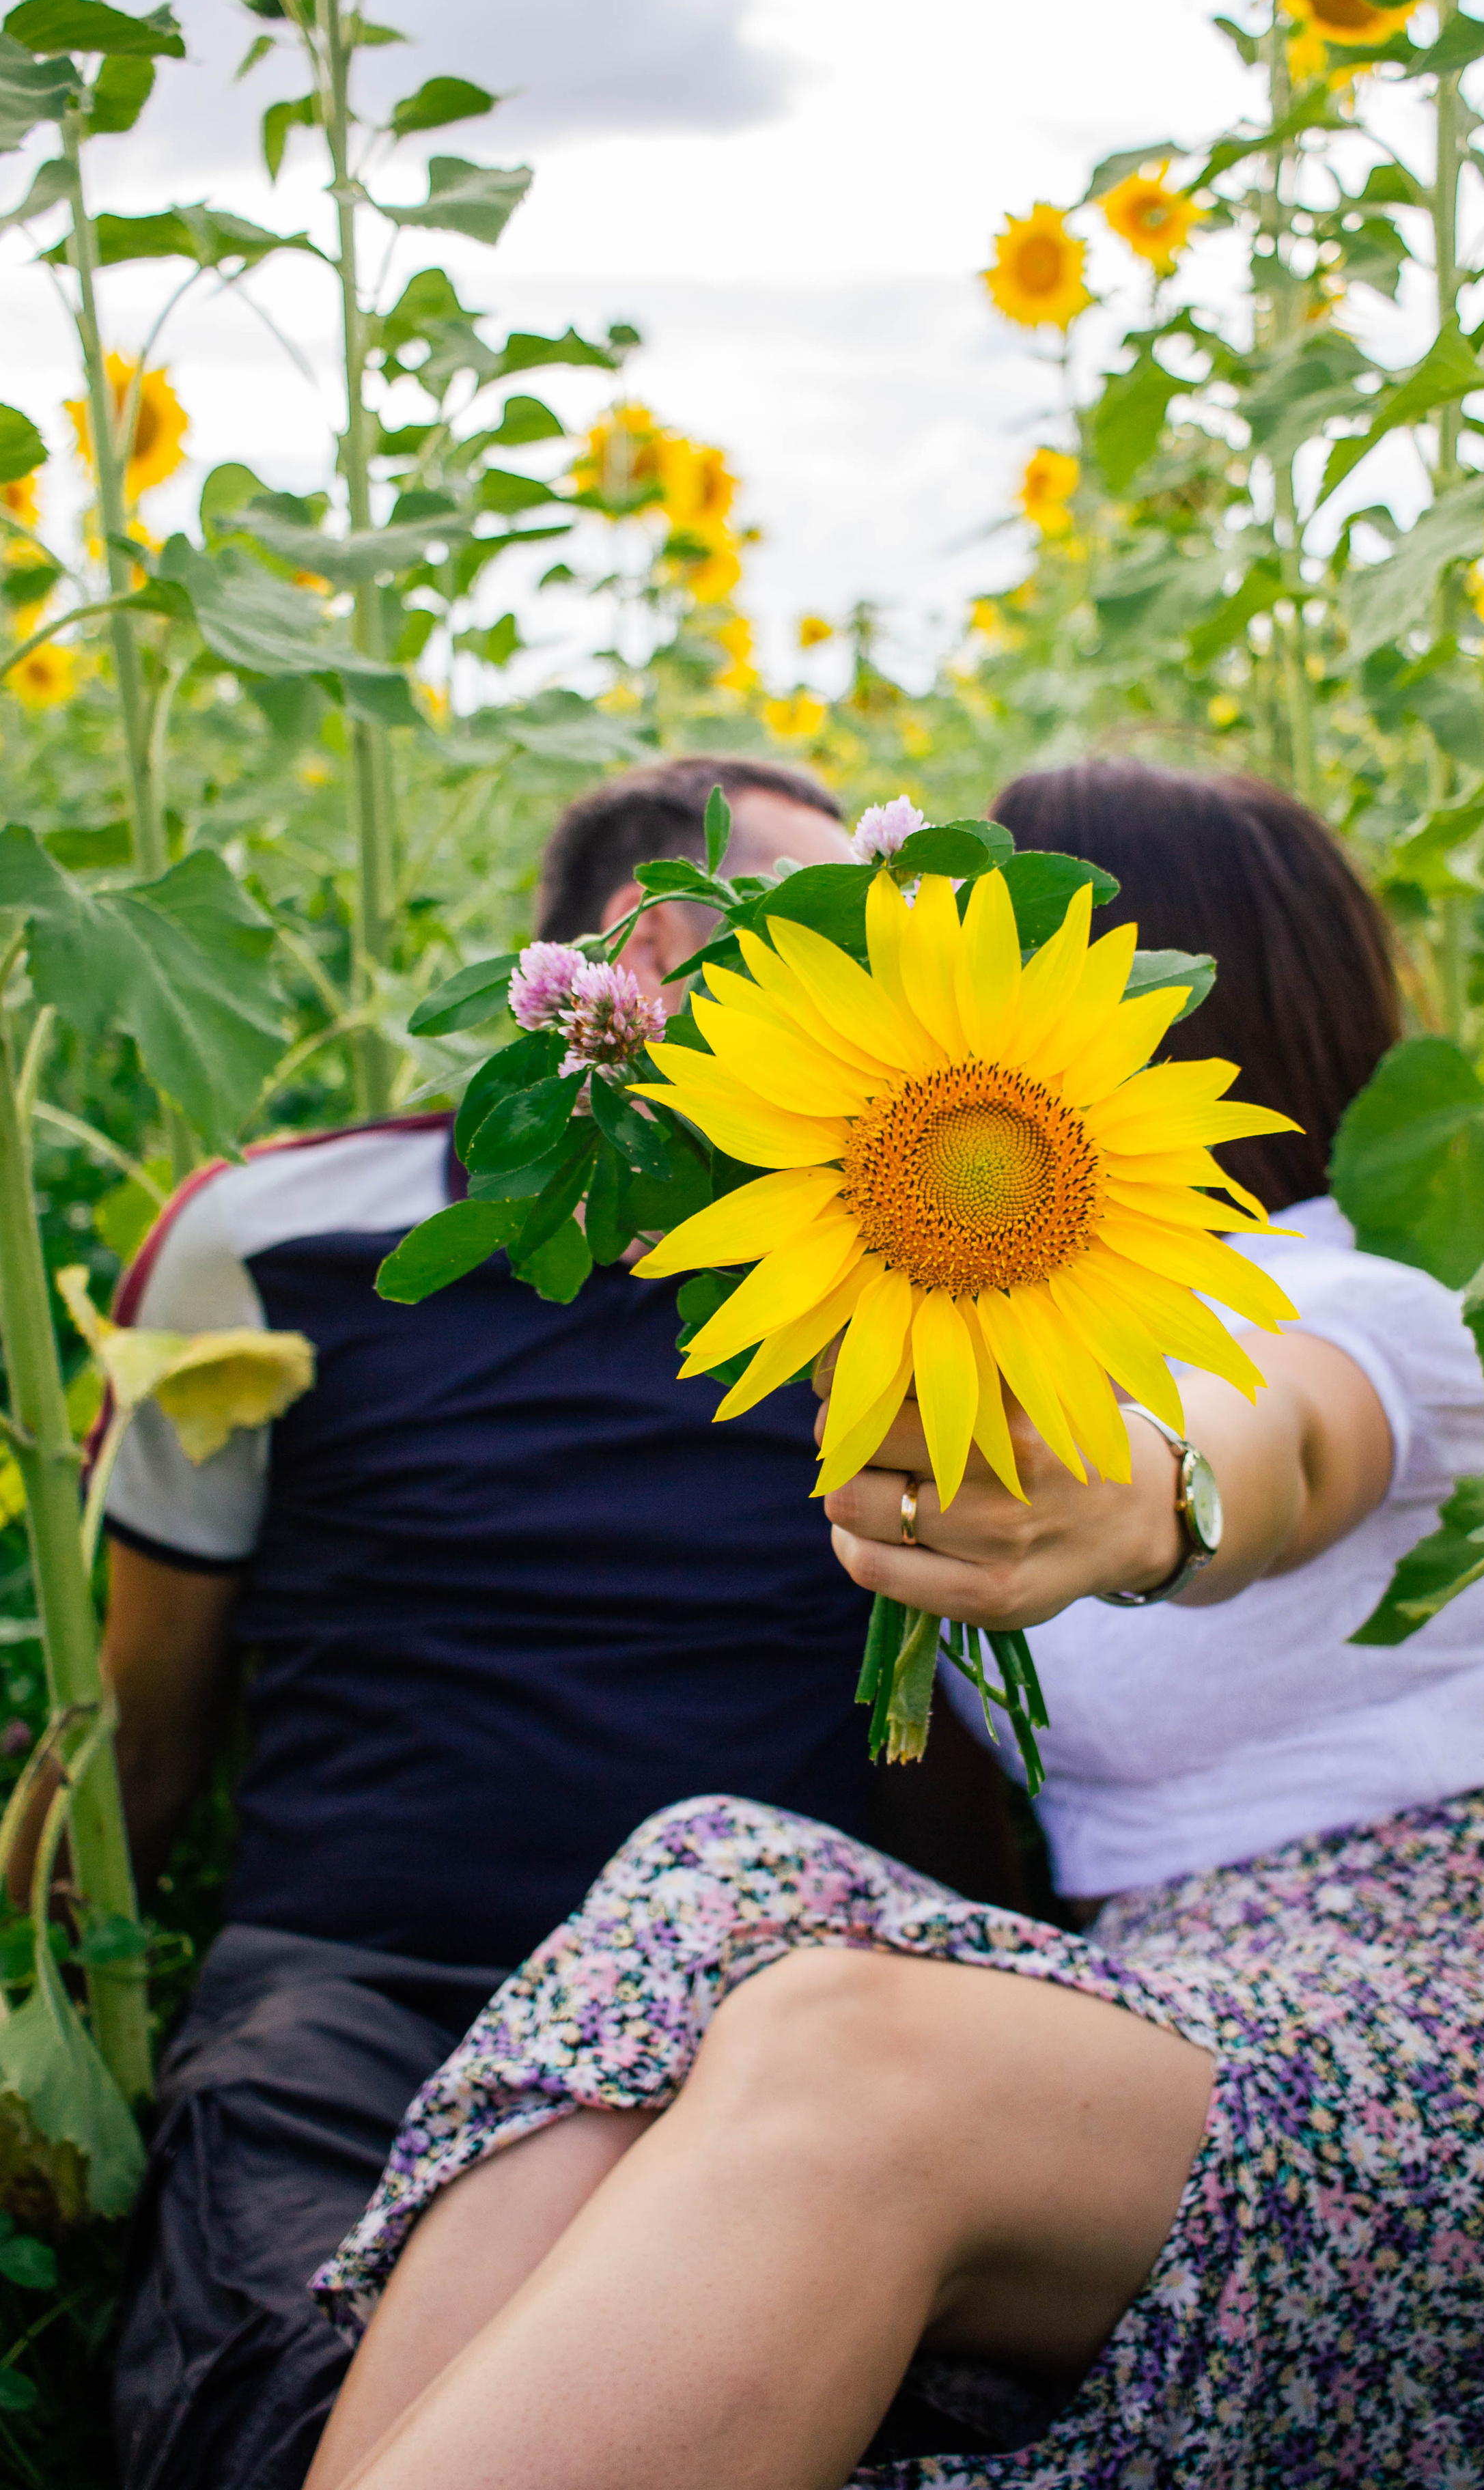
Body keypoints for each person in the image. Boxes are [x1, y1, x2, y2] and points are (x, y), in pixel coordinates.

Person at [301, 761, 1484, 2490]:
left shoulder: (1367, 1298)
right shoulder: (962, 1297)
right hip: (1184, 1999)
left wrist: (1150, 1508)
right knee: (711, 1880)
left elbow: (1267, 1443)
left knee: (848, 2053)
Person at [93, 754, 1024, 2490]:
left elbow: (944, 1719)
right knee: (283, 2411)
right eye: (829, 942)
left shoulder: (883, 1254)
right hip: (362, 1996)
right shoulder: (275, 1233)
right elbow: (146, 1728)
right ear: (643, 948)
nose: (884, 1003)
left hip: (754, 2028)